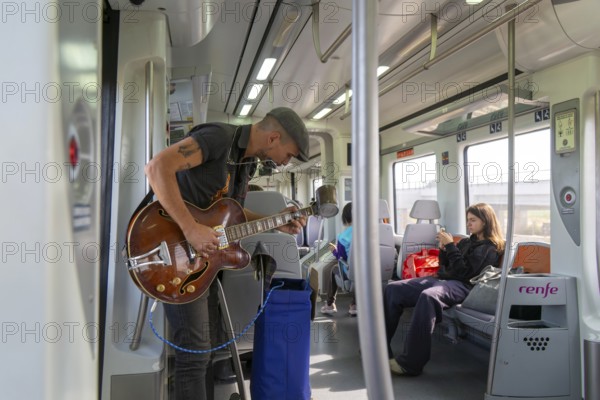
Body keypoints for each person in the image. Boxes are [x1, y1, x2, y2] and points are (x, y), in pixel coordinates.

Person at [144, 107, 309, 400]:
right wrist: (191, 228)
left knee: (207, 350)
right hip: (175, 255)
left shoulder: (246, 164)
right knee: (194, 356)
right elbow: (157, 168)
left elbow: (228, 213)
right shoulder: (219, 138)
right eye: (290, 154)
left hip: (202, 264)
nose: (287, 162)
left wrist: (275, 223)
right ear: (273, 138)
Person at [384, 203, 504, 376]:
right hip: (443, 280)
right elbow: (445, 266)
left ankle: (411, 363)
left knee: (428, 297)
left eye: (473, 220)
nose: (468, 224)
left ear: (485, 221)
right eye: (467, 220)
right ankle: (380, 347)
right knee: (393, 289)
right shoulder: (465, 242)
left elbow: (465, 274)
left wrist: (450, 247)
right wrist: (443, 251)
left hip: (464, 286)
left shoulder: (490, 248)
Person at [320, 202, 357, 316]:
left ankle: (330, 304)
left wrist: (334, 250)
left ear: (345, 217)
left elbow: (342, 257)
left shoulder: (343, 237)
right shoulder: (374, 231)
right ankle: (355, 304)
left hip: (352, 273)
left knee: (334, 269)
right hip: (373, 272)